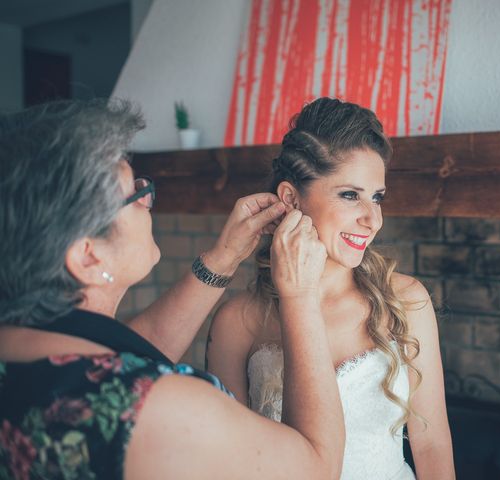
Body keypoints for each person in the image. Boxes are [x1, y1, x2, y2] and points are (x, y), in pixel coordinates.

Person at [0, 99, 345, 479]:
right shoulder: (164, 405)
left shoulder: (28, 349)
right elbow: (317, 465)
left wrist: (223, 258)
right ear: (87, 257)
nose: (148, 199)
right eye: (134, 194)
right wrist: (299, 296)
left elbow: (124, 350)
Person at [207, 97, 456, 479]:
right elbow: (231, 463)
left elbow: (432, 444)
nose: (372, 219)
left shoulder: (406, 301)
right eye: (350, 195)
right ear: (292, 198)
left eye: (377, 197)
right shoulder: (238, 321)